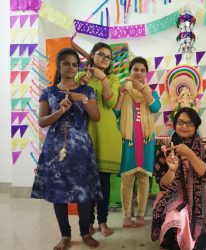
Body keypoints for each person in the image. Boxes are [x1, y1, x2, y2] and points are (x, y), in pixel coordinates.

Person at [31, 48, 102, 249]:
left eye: (74, 64)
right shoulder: (48, 92)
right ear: (59, 65)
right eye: (66, 63)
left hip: (81, 150)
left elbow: (96, 117)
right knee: (58, 192)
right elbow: (42, 121)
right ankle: (65, 235)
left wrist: (84, 100)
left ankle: (85, 233)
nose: (70, 67)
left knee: (84, 193)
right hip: (55, 150)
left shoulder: (87, 91)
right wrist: (60, 111)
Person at [151, 107, 206, 250]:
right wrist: (171, 170)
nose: (184, 126)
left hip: (199, 197)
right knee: (178, 215)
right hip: (172, 195)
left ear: (196, 126)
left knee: (198, 241)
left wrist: (190, 154)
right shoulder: (165, 150)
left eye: (189, 123)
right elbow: (163, 185)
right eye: (180, 122)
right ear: (174, 124)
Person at [76, 42, 121, 237]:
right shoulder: (81, 75)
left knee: (104, 182)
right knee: (87, 183)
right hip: (86, 133)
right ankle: (88, 223)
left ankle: (103, 221)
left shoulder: (113, 79)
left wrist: (103, 79)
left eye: (108, 56)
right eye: (100, 54)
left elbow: (110, 102)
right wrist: (84, 82)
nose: (104, 58)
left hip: (108, 133)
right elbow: (75, 98)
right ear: (92, 55)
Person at [114, 56, 161, 228]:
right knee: (127, 180)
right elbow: (115, 115)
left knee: (143, 179)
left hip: (147, 142)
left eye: (142, 70)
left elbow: (155, 108)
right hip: (128, 142)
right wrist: (120, 97)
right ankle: (126, 215)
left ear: (146, 74)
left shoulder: (151, 93)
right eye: (136, 69)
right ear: (130, 72)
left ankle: (141, 214)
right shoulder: (123, 91)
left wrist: (143, 89)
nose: (139, 73)